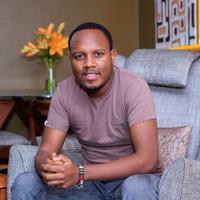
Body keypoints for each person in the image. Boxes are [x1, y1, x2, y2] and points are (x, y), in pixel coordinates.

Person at [12, 22, 160, 200]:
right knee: (25, 181)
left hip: (130, 179)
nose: (89, 64)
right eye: (79, 56)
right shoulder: (65, 91)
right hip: (89, 184)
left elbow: (148, 160)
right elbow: (45, 151)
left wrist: (80, 173)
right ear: (71, 59)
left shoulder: (134, 86)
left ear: (112, 56)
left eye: (98, 54)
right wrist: (54, 168)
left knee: (136, 186)